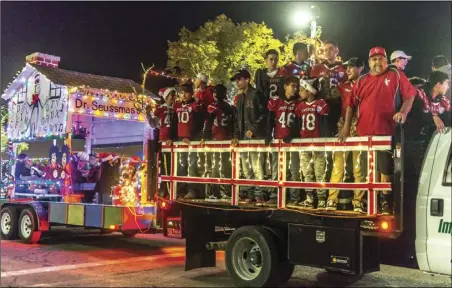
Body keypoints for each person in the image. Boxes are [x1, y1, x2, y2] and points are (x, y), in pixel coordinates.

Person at [338, 47, 417, 215]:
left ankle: (386, 203)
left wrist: (402, 112)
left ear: (386, 60)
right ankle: (369, 203)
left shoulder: (395, 75)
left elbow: (410, 95)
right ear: (368, 63)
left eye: (380, 58)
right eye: (374, 59)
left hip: (386, 133)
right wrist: (345, 128)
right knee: (366, 172)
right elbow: (351, 104)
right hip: (364, 135)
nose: (377, 62)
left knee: (386, 171)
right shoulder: (361, 80)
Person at [326, 57, 366, 212]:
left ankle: (358, 201)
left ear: (360, 68)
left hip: (361, 125)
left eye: (351, 67)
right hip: (344, 126)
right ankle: (332, 199)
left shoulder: (368, 84)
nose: (347, 70)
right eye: (346, 68)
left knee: (359, 167)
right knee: (338, 165)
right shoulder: (342, 87)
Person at [231, 69, 268, 205]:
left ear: (247, 80)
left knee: (257, 166)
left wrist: (253, 129)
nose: (237, 82)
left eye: (239, 79)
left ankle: (259, 194)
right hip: (242, 137)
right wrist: (235, 135)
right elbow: (237, 119)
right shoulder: (240, 98)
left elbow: (265, 113)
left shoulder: (256, 94)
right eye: (236, 80)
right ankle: (251, 193)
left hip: (256, 137)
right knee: (246, 167)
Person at [265, 76, 301, 206]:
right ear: (285, 86)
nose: (295, 89)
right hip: (279, 140)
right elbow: (270, 118)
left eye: (297, 86)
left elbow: (299, 122)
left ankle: (294, 198)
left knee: (295, 170)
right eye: (293, 86)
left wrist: (293, 134)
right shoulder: (276, 101)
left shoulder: (298, 102)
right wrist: (268, 134)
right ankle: (275, 195)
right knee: (277, 169)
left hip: (293, 142)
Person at [295, 78, 330, 209]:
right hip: (304, 143)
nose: (300, 92)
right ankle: (309, 197)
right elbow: (297, 123)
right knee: (306, 171)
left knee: (320, 171)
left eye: (302, 90)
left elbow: (325, 122)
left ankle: (321, 198)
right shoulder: (300, 106)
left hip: (317, 142)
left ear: (310, 91)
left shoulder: (320, 103)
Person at [173, 83, 206, 199]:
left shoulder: (195, 106)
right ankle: (181, 189)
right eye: (181, 92)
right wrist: (175, 138)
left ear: (191, 93)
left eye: (186, 92)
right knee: (181, 166)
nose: (184, 95)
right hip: (180, 141)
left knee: (192, 165)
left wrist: (191, 137)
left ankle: (192, 190)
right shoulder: (176, 106)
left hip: (192, 141)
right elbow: (174, 123)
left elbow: (199, 123)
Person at [202, 84, 235, 201]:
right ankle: (228, 191)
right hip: (227, 139)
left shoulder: (213, 107)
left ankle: (216, 192)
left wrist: (204, 136)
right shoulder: (229, 107)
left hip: (217, 139)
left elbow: (208, 123)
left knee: (216, 166)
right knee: (227, 166)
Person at [311, 40, 347, 137]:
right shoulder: (316, 68)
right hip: (321, 104)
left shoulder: (344, 68)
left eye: (331, 49)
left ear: (337, 51)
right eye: (325, 49)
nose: (328, 52)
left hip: (338, 104)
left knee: (336, 132)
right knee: (323, 133)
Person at [152, 87, 177, 198]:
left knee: (174, 167)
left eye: (174, 95)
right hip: (164, 142)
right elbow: (153, 124)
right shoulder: (161, 109)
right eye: (171, 96)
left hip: (176, 141)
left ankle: (173, 189)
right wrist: (148, 114)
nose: (173, 98)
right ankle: (164, 189)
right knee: (165, 167)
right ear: (166, 97)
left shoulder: (177, 109)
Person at [416, 71, 451, 138]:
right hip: (413, 139)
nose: (448, 87)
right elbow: (415, 114)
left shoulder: (444, 101)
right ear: (438, 85)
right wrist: (432, 117)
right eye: (446, 83)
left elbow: (448, 116)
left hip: (432, 139)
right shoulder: (418, 94)